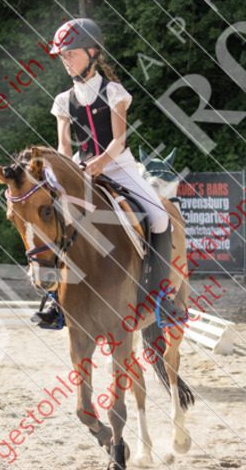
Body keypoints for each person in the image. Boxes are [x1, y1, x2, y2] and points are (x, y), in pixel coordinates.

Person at [32, 18, 171, 328]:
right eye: (63, 55)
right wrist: (65, 173)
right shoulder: (62, 101)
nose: (66, 60)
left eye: (71, 53)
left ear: (92, 52)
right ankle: (56, 301)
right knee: (55, 219)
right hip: (80, 170)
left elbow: (119, 139)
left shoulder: (114, 91)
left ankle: (163, 297)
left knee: (159, 217)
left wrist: (101, 163)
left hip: (119, 167)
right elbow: (64, 147)